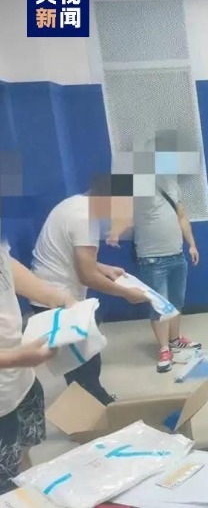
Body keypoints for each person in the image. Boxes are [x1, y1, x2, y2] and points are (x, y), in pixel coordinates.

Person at [31, 184, 149, 405]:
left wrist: (105, 269)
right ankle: (95, 409)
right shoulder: (86, 219)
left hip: (53, 293)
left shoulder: (74, 204)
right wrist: (126, 293)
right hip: (56, 299)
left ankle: (92, 401)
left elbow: (74, 257)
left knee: (83, 358)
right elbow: (87, 276)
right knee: (83, 363)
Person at [0, 242, 76, 495]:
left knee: (21, 465)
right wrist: (13, 358)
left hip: (19, 382)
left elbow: (5, 263)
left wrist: (53, 295)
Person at [130, 174, 201, 373]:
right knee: (159, 306)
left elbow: (182, 216)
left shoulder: (172, 183)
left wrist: (192, 244)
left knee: (176, 302)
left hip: (177, 254)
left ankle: (175, 341)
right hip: (151, 258)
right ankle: (164, 349)